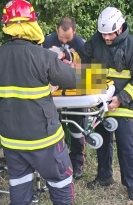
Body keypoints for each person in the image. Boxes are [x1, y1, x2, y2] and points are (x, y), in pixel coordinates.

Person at [0, 0, 76, 205]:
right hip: (44, 138)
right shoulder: (43, 56)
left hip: (12, 140)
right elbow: (72, 79)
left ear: (7, 26)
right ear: (31, 24)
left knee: (20, 183)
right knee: (60, 182)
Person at [56, 7, 133, 202]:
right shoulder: (96, 41)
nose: (106, 37)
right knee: (103, 141)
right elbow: (84, 59)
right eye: (103, 33)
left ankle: (132, 184)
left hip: (125, 104)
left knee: (125, 145)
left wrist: (120, 99)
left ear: (120, 28)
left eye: (109, 33)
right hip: (101, 101)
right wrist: (70, 60)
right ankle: (105, 176)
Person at [43, 17, 88, 180]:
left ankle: (77, 163)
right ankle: (58, 164)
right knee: (55, 131)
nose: (64, 41)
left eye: (68, 38)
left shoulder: (82, 44)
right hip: (54, 96)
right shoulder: (48, 40)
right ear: (57, 30)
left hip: (75, 95)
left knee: (77, 131)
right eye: (61, 37)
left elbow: (88, 73)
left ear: (74, 32)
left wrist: (69, 58)